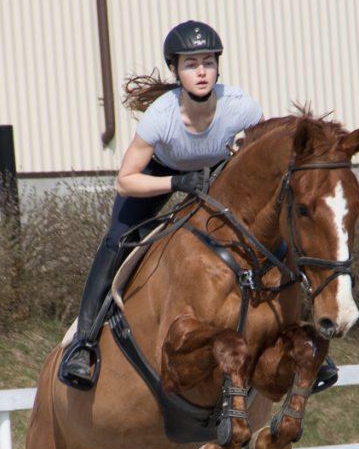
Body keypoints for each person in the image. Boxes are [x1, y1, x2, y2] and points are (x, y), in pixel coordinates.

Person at [58, 20, 264, 390]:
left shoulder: (241, 107)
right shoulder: (161, 115)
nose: (201, 72)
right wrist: (177, 183)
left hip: (217, 171)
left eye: (208, 62)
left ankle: (297, 327)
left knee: (269, 227)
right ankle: (83, 344)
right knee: (118, 239)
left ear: (218, 67)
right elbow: (125, 179)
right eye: (190, 64)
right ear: (175, 70)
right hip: (161, 173)